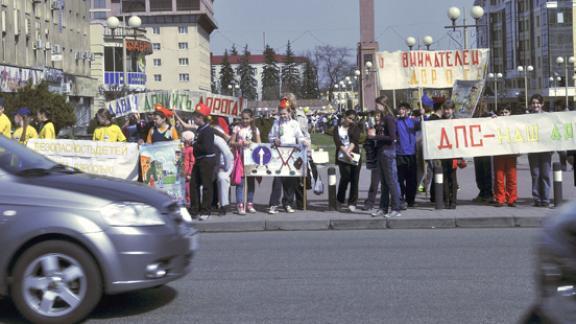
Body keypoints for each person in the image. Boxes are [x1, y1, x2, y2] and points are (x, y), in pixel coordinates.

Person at [267, 98, 308, 214]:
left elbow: (299, 136)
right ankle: (274, 204)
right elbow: (270, 137)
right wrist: (275, 140)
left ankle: (288, 203)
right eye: (281, 114)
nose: (283, 116)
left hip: (291, 154)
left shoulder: (294, 124)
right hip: (279, 155)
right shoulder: (276, 123)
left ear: (289, 112)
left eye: (285, 113)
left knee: (290, 180)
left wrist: (303, 141)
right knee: (278, 180)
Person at [371, 96, 402, 218]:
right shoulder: (382, 119)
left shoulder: (389, 119)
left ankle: (396, 208)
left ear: (384, 105)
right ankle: (383, 208)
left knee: (391, 181)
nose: (376, 107)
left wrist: (376, 137)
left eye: (378, 104)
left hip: (388, 152)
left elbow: (392, 138)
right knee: (384, 182)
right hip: (381, 152)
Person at [189, 102, 218, 219]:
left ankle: (206, 210)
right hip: (200, 160)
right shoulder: (200, 129)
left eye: (195, 116)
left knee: (207, 186)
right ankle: (195, 208)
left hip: (207, 160)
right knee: (193, 184)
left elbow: (206, 148)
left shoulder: (208, 130)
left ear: (201, 117)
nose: (193, 118)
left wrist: (193, 144)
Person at [230, 109, 261, 215]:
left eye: (247, 118)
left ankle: (250, 203)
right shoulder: (237, 128)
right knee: (240, 182)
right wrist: (238, 144)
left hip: (251, 158)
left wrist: (251, 143)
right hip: (240, 157)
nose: (244, 120)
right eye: (243, 118)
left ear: (251, 118)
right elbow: (231, 142)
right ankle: (240, 204)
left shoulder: (255, 129)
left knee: (251, 182)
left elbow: (259, 144)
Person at [527, 94, 553, 208]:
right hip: (533, 150)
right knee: (536, 175)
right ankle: (537, 199)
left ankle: (546, 199)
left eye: (537, 103)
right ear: (530, 105)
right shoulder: (526, 118)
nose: (535, 105)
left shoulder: (548, 117)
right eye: (533, 103)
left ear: (542, 104)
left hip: (546, 150)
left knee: (545, 175)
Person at [333, 109, 362, 211]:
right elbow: (338, 142)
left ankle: (352, 202)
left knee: (354, 179)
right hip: (342, 156)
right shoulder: (337, 128)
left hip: (354, 155)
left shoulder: (355, 128)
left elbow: (354, 141)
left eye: (353, 119)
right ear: (344, 117)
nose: (351, 121)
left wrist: (349, 152)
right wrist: (346, 153)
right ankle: (340, 200)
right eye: (349, 118)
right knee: (345, 177)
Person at [396, 102, 421, 208]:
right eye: (400, 109)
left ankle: (410, 200)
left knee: (412, 180)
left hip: (411, 154)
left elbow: (423, 124)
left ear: (408, 110)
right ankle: (400, 199)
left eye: (403, 109)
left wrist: (422, 115)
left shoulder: (413, 122)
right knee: (400, 179)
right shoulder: (396, 122)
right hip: (400, 154)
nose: (401, 111)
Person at [492, 106, 518, 207]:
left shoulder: (514, 123)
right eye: (501, 112)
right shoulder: (495, 122)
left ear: (510, 113)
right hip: (499, 153)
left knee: (512, 177)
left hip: (511, 152)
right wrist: (492, 120)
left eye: (506, 112)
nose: (503, 114)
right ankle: (500, 198)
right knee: (499, 177)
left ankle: (512, 199)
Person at [472, 101, 494, 203]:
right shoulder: (472, 116)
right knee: (479, 171)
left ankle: (488, 193)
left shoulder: (488, 116)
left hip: (486, 148)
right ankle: (482, 192)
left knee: (486, 171)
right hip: (476, 148)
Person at [362, 110, 383, 210]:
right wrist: (369, 138)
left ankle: (396, 201)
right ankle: (370, 202)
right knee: (374, 182)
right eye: (375, 116)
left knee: (390, 182)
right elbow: (366, 144)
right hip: (376, 158)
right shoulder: (371, 128)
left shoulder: (385, 127)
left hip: (386, 156)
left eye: (378, 116)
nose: (377, 118)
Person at [212, 125, 234, 216]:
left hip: (225, 164)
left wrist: (225, 169)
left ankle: (224, 205)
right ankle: (212, 203)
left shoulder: (219, 140)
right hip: (214, 164)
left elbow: (228, 156)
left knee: (222, 178)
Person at [181, 131, 196, 210]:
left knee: (188, 189)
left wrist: (190, 173)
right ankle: (185, 203)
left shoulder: (191, 149)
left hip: (187, 173)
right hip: (181, 172)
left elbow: (192, 162)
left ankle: (189, 204)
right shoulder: (182, 148)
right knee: (182, 188)